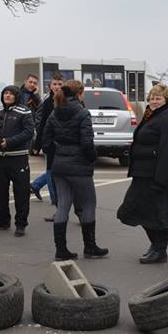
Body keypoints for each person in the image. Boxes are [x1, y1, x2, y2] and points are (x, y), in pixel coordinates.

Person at [117, 83, 168, 264]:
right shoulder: (151, 115)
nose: (154, 101)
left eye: (158, 98)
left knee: (160, 214)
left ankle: (159, 250)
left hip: (161, 176)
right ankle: (156, 246)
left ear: (167, 99)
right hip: (142, 174)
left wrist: (160, 180)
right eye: (152, 98)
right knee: (133, 210)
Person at [42, 80, 107, 261]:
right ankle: (90, 247)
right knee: (88, 204)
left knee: (63, 205)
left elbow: (45, 140)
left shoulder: (55, 113)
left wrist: (57, 154)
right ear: (79, 93)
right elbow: (87, 142)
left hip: (60, 164)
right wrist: (92, 157)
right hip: (79, 166)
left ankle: (61, 250)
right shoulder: (82, 113)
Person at [0, 85, 35, 236]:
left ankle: (21, 223)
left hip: (18, 158)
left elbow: (29, 132)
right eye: (5, 93)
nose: (7, 96)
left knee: (21, 193)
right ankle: (3, 220)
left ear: (16, 96)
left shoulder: (24, 111)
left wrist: (9, 142)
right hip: (0, 159)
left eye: (11, 93)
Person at [31, 73, 64, 214]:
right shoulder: (47, 102)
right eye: (54, 84)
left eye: (59, 84)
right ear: (50, 86)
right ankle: (56, 202)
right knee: (51, 172)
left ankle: (36, 185)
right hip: (50, 144)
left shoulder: (67, 100)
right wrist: (37, 145)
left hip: (64, 144)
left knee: (61, 172)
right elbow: (43, 123)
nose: (57, 87)